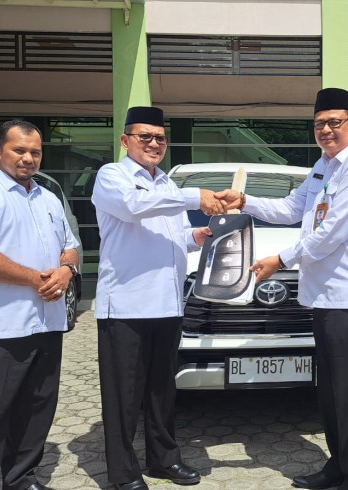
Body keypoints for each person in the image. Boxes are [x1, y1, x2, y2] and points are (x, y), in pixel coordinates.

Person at [215, 88, 348, 490]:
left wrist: (281, 259)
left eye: (334, 122)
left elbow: (333, 232)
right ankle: (339, 466)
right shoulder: (323, 165)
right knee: (331, 390)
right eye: (319, 124)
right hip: (324, 295)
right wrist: (245, 201)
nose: (326, 130)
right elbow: (292, 208)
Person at [92, 106, 225, 490]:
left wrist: (197, 236)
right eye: (145, 136)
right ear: (125, 140)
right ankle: (123, 475)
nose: (153, 143)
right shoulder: (112, 176)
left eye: (160, 138)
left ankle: (164, 460)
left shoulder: (167, 182)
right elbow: (133, 208)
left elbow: (174, 235)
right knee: (124, 396)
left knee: (162, 390)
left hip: (167, 303)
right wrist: (195, 196)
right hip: (126, 305)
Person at [0, 120, 80, 490]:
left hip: (47, 323)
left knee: (37, 409)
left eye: (35, 152)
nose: (28, 158)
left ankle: (21, 478)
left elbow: (70, 246)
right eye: (19, 150)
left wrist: (67, 270)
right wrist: (35, 279)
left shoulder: (48, 198)